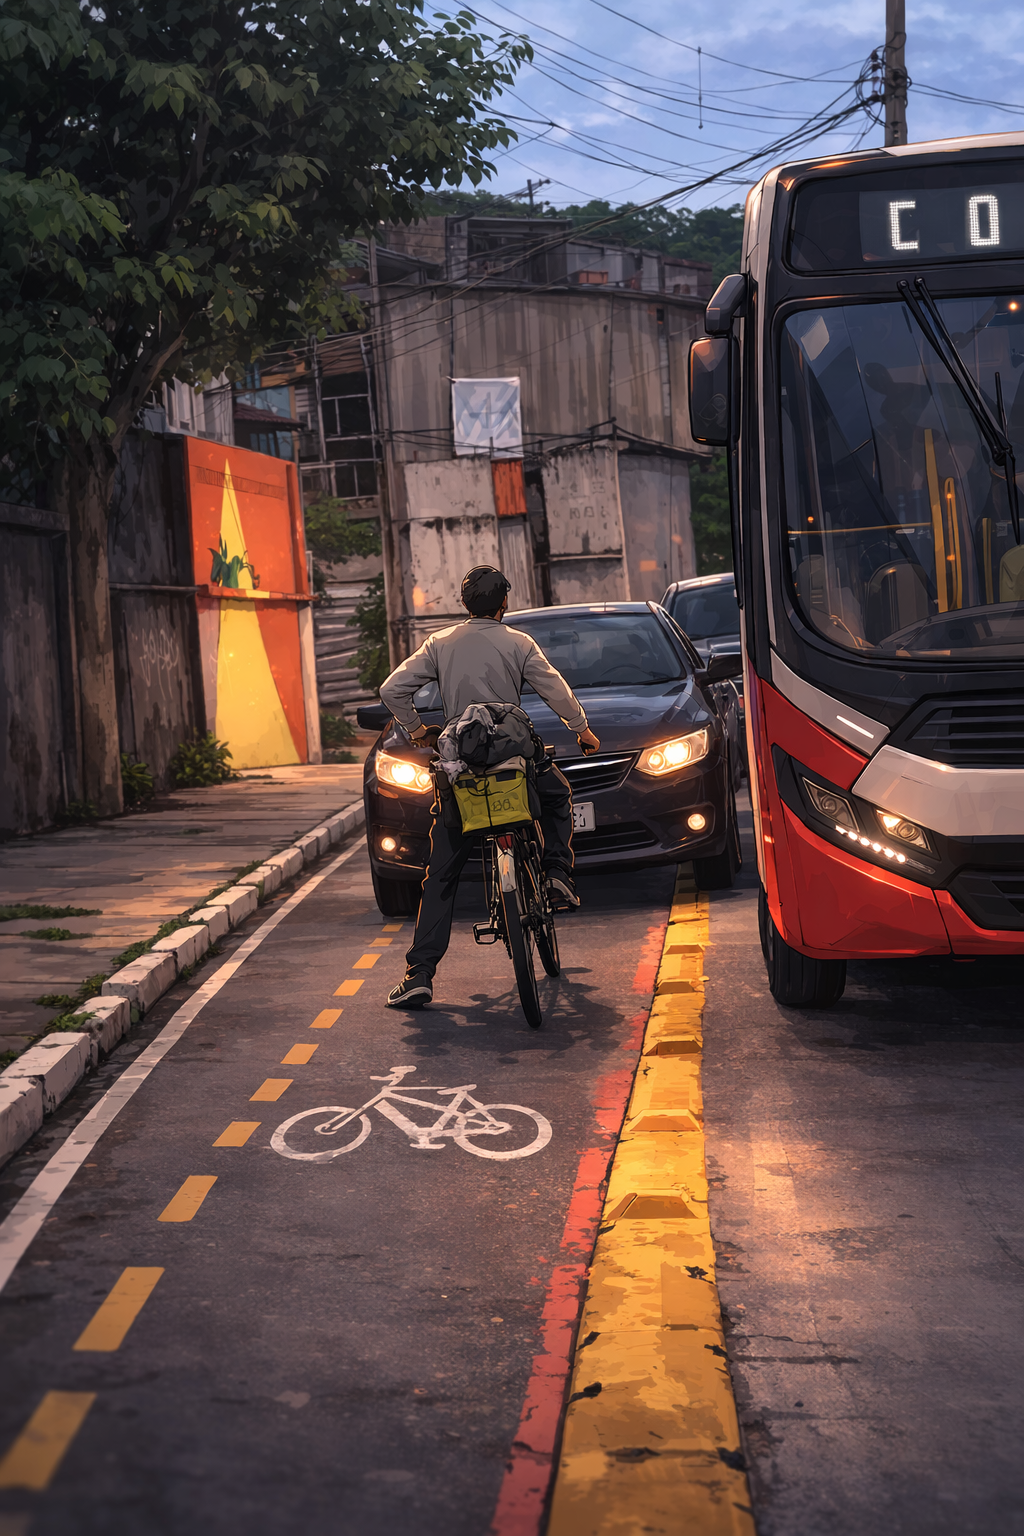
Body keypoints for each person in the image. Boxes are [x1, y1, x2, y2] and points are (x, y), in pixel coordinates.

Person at [378, 565, 600, 1008]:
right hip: (514, 756)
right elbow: (554, 689)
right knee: (556, 796)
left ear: (464, 604)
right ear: (504, 603)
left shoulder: (440, 643)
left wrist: (417, 729)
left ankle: (419, 973)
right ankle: (556, 873)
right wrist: (581, 729)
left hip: (462, 765)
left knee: (440, 874)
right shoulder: (520, 643)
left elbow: (392, 689)